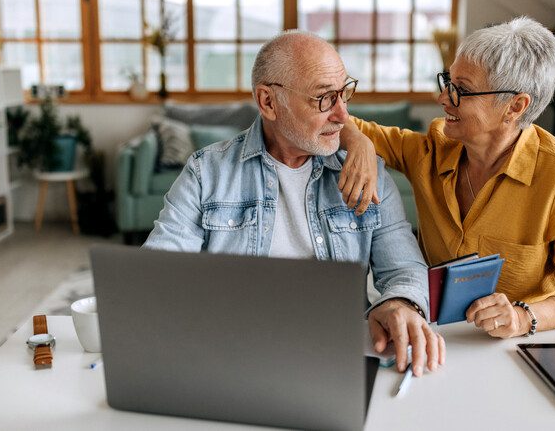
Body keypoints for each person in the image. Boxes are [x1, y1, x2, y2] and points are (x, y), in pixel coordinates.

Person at [145, 30, 445, 376]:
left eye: (344, 92)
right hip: (233, 353)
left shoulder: (367, 171)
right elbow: (159, 274)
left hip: (337, 352)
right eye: (323, 99)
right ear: (268, 102)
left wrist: (401, 302)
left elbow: (404, 266)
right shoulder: (206, 173)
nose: (343, 115)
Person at [339, 17, 555, 338]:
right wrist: (358, 141)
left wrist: (524, 317)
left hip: (514, 345)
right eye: (447, 81)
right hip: (435, 334)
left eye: (461, 90)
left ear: (515, 106)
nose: (442, 99)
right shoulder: (432, 148)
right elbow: (340, 121)